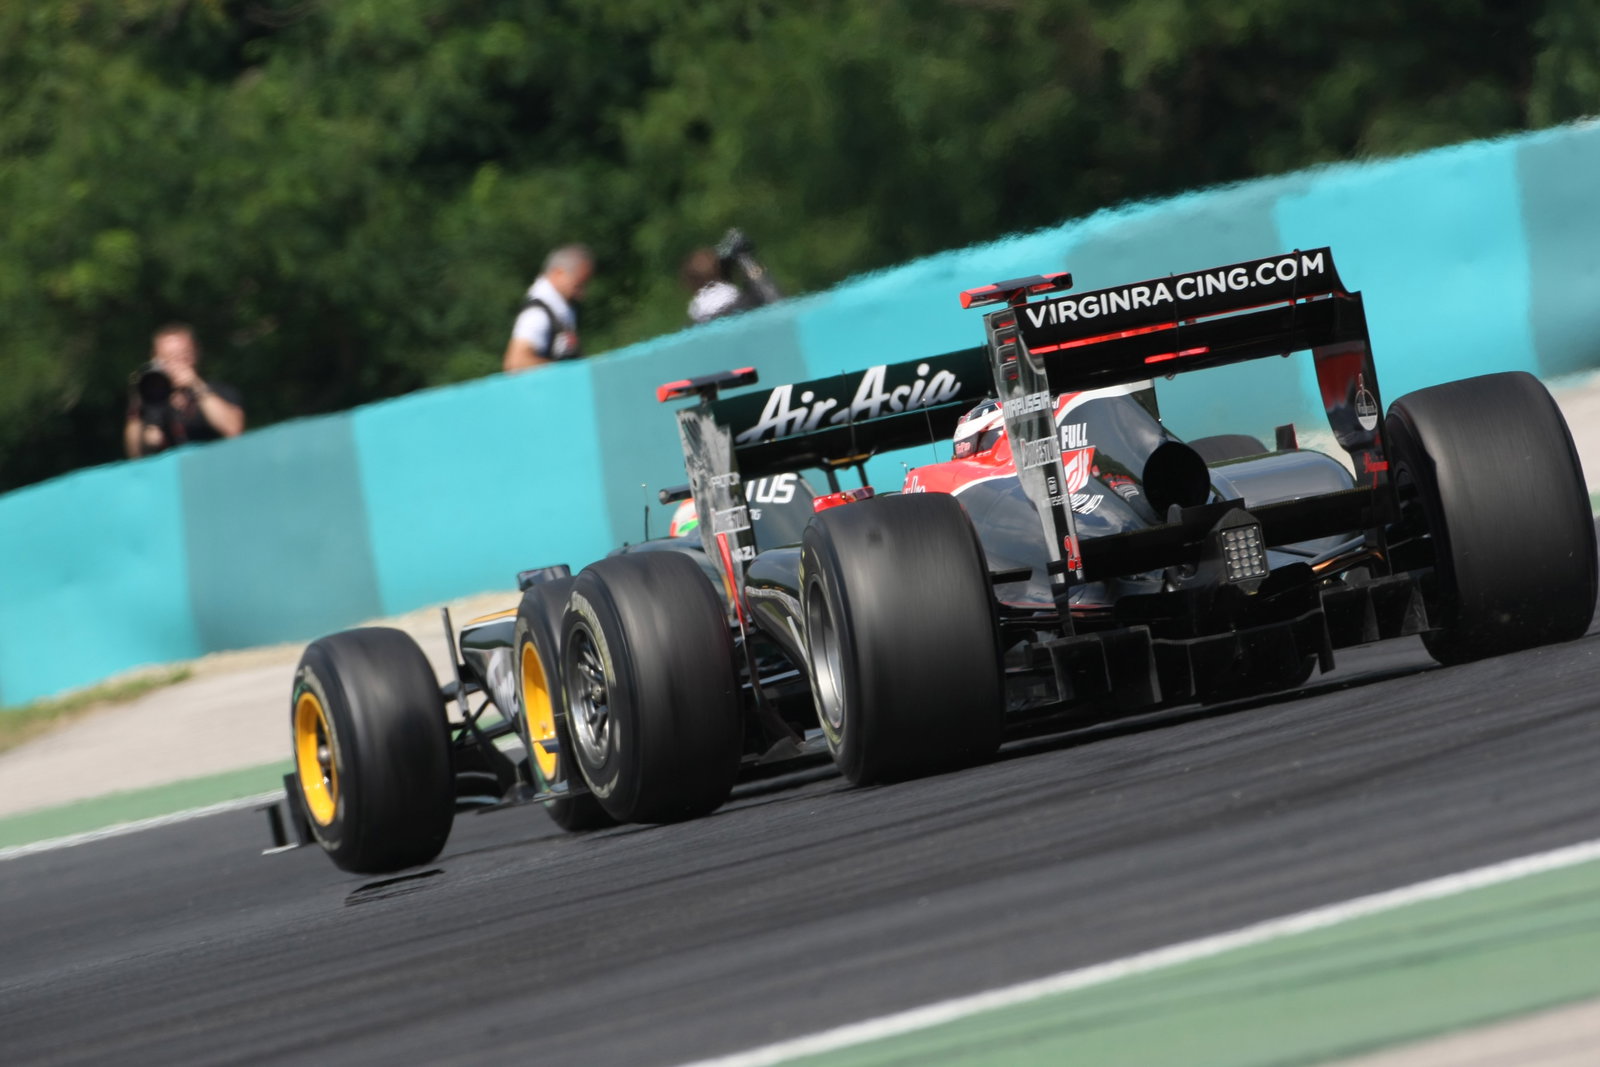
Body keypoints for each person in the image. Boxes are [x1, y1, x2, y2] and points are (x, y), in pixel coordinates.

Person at [123, 324, 245, 459]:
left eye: (182, 356)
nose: (175, 364)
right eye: (167, 358)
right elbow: (135, 454)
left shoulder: (218, 391)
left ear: (195, 354)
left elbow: (233, 430)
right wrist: (138, 399)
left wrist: (196, 385)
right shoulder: (151, 403)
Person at [503, 244, 594, 372]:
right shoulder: (537, 313)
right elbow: (517, 363)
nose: (582, 294)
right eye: (578, 285)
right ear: (559, 273)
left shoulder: (561, 310)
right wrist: (568, 372)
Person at [681, 228, 783, 325]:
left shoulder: (693, 326)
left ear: (690, 285)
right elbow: (778, 305)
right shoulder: (750, 303)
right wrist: (744, 258)